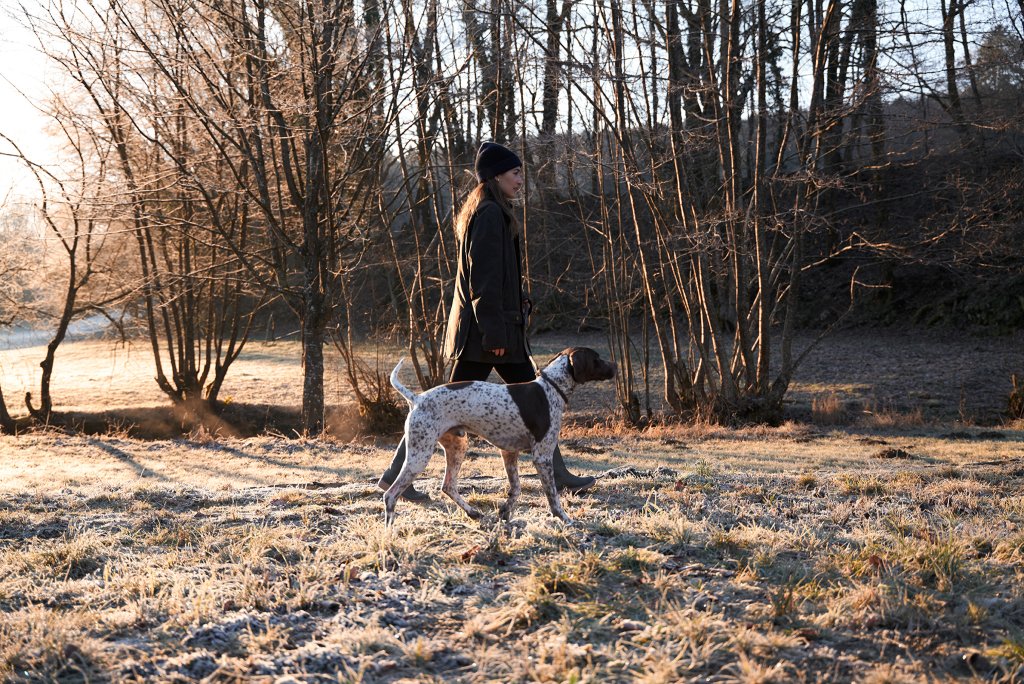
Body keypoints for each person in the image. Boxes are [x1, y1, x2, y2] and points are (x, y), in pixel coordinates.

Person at [377, 141, 597, 501]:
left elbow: (497, 277)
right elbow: (484, 280)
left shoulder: (490, 210)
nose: (520, 180)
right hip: (488, 335)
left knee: (464, 405)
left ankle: (557, 476)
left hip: (493, 329)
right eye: (515, 173)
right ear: (497, 175)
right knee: (519, 402)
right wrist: (495, 330)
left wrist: (519, 298)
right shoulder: (491, 214)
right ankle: (394, 478)